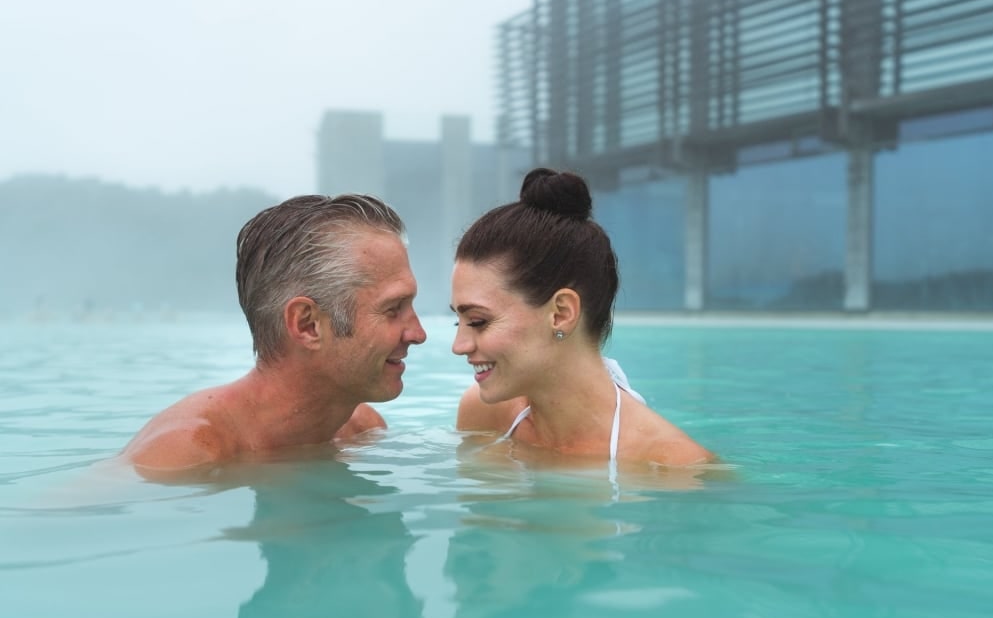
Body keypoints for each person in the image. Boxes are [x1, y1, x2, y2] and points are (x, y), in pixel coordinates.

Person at [121, 193, 427, 475]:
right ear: (308, 325)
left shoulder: (362, 430)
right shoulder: (187, 453)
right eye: (393, 309)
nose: (418, 333)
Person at [450, 167, 715, 469]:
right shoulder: (484, 415)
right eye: (458, 321)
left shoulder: (673, 466)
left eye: (478, 321)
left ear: (561, 314)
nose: (459, 345)